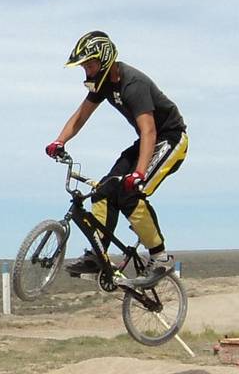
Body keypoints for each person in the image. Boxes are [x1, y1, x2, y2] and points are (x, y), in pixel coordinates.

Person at [45, 30, 188, 286]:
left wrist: (139, 173)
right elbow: (81, 116)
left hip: (170, 139)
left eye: (89, 65)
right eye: (84, 67)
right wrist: (59, 141)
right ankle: (99, 256)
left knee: (130, 192)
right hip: (147, 141)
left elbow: (149, 130)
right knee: (103, 191)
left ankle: (160, 257)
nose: (87, 72)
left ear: (105, 60)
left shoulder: (132, 84)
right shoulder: (103, 84)